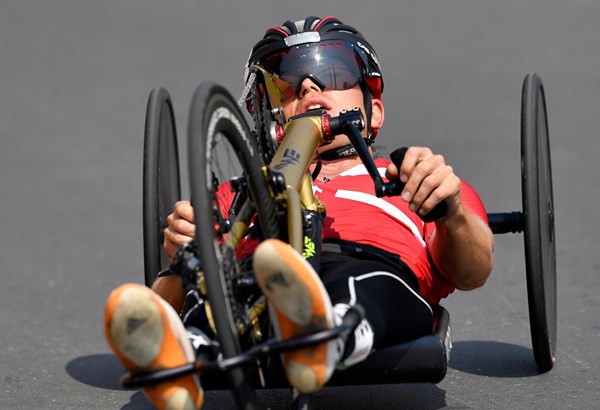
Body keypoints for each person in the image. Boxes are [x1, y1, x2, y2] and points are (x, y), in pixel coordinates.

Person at [103, 16, 494, 409]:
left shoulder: (415, 178)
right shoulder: (232, 195)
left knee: (365, 282)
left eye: (334, 74)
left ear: (373, 111)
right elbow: (176, 296)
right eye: (285, 85)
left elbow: (472, 271)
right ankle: (185, 351)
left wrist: (451, 213)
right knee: (220, 297)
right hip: (258, 279)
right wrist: (178, 261)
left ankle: (328, 333)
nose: (308, 86)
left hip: (370, 268)